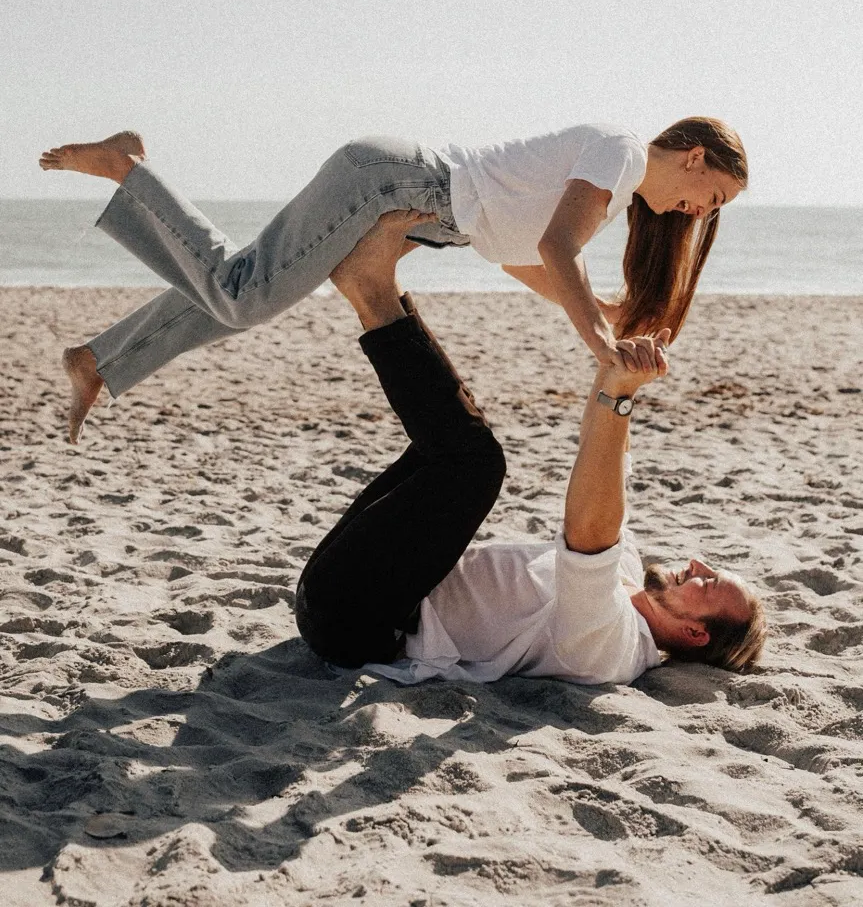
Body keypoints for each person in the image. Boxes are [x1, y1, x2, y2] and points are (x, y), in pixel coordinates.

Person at [39, 115, 746, 442]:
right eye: (710, 196)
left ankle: (97, 360)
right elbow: (559, 246)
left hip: (392, 189)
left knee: (241, 293)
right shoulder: (620, 154)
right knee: (243, 293)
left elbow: (518, 253)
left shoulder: (611, 186)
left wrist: (604, 310)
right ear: (692, 157)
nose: (696, 213)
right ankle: (127, 168)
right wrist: (598, 342)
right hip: (390, 183)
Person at [296, 210, 766, 683]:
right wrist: (615, 366)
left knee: (475, 463)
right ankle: (386, 281)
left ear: (695, 634)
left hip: (356, 621)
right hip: (366, 577)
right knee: (449, 442)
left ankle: (372, 291)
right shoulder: (625, 573)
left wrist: (620, 396)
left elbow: (589, 533)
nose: (699, 564)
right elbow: (604, 456)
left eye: (711, 583)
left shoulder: (612, 648)